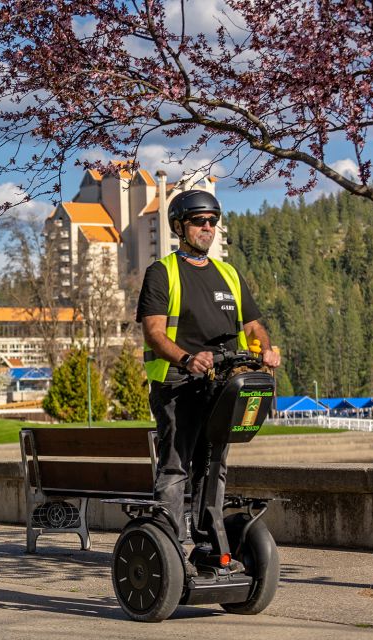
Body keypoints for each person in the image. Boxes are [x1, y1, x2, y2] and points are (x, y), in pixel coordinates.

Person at [136, 189, 281, 573]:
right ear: (179, 226)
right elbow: (153, 332)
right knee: (176, 468)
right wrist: (187, 358)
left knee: (214, 464)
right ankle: (169, 554)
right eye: (199, 221)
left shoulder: (228, 274)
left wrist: (266, 349)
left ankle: (207, 547)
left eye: (213, 221)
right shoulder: (162, 273)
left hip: (223, 386)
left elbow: (254, 326)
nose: (208, 227)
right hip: (178, 386)